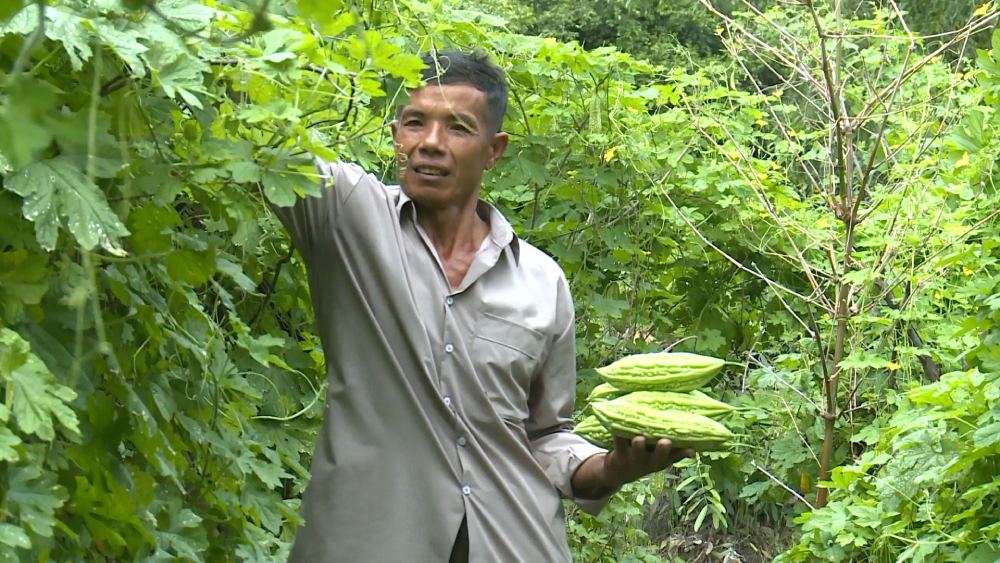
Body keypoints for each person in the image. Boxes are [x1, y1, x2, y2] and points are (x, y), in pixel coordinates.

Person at [276, 49, 692, 562]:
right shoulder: (346, 215)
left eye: (457, 127)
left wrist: (611, 468)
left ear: (494, 150)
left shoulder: (542, 282)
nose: (429, 143)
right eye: (414, 123)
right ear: (395, 134)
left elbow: (547, 434)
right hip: (366, 541)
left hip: (515, 543)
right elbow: (260, 137)